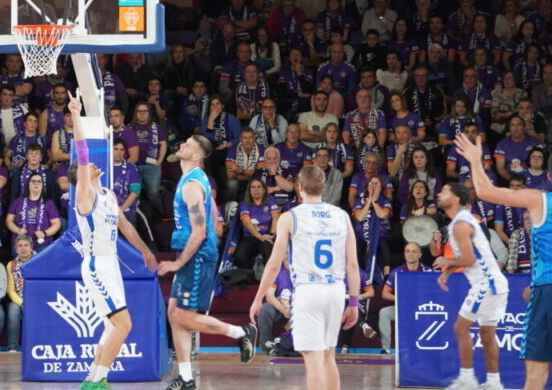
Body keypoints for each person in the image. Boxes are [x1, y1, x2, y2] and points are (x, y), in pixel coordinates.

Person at [67, 92, 157, 390]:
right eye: (86, 168)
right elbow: (81, 152)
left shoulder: (108, 195)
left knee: (111, 327)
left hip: (111, 265)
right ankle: (100, 380)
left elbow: (127, 229)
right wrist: (77, 115)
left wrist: (145, 252)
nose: (92, 165)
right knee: (125, 324)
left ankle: (91, 380)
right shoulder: (85, 196)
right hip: (95, 266)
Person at [455, 132, 550, 390]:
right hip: (543, 286)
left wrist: (476, 161)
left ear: (548, 177)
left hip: (546, 290)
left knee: (536, 373)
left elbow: (485, 192)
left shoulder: (540, 199)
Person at [160, 135, 257, 390]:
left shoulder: (192, 184)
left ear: (197, 156)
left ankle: (240, 333)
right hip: (194, 252)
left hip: (196, 255)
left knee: (183, 315)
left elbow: (201, 231)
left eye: (188, 144)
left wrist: (177, 263)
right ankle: (186, 378)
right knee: (174, 315)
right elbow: (214, 215)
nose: (182, 145)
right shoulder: (195, 178)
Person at [251, 165, 360, 390]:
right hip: (335, 290)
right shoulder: (342, 216)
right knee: (329, 355)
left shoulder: (290, 217)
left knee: (313, 360)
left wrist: (257, 298)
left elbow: (273, 264)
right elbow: (353, 265)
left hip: (309, 290)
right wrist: (354, 303)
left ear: (299, 188)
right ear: (325, 186)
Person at [433, 178, 509, 390]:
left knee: (460, 327)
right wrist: (448, 270)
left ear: (455, 199)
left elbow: (470, 259)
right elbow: (471, 256)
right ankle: (494, 383)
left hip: (486, 284)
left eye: (444, 191)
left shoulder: (460, 224)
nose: (439, 194)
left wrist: (446, 261)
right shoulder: (461, 220)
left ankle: (467, 380)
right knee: (487, 334)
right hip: (495, 283)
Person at [377, 242, 431, 355]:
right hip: (403, 308)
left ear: (420, 255)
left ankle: (426, 349)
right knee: (384, 313)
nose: (410, 254)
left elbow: (436, 293)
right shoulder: (397, 271)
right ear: (404, 254)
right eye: (407, 251)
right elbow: (385, 294)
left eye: (414, 251)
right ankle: (386, 349)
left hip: (422, 309)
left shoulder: (428, 271)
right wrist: (400, 298)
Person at [5, 234, 34, 352]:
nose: (23, 248)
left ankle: (35, 346)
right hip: (18, 300)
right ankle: (13, 347)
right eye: (20, 246)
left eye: (26, 245)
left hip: (37, 299)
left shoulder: (40, 261)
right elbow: (10, 289)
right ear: (16, 249)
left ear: (31, 247)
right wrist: (22, 303)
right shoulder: (10, 265)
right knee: (12, 310)